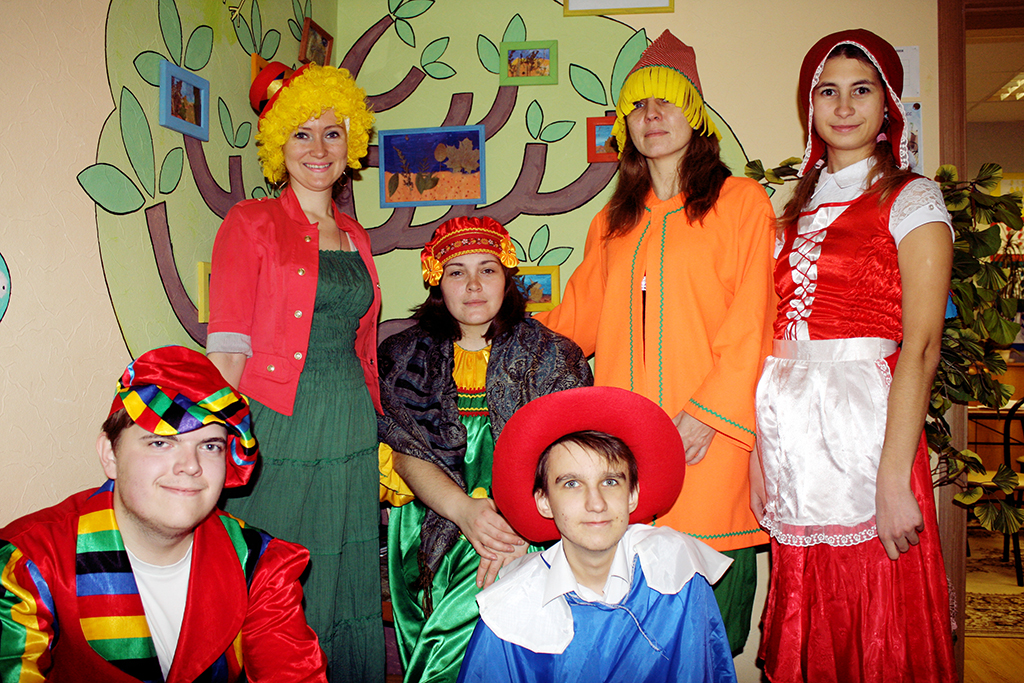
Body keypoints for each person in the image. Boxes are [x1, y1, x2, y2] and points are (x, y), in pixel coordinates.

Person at [533, 30, 775, 652]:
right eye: (638, 105)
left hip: (710, 446)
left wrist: (707, 416)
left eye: (667, 100)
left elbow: (754, 322)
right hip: (624, 453)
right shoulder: (610, 223)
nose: (652, 115)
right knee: (636, 638)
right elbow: (573, 324)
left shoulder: (741, 203)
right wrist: (488, 330)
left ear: (696, 114)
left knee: (707, 640)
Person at [754, 29, 956, 682]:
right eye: (828, 92)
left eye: (861, 90)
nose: (843, 106)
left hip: (867, 433)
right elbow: (772, 337)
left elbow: (921, 346)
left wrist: (894, 478)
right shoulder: (790, 209)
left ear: (888, 105)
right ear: (810, 106)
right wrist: (759, 452)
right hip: (790, 435)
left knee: (874, 600)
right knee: (806, 592)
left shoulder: (912, 197)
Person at [0, 346, 327, 682]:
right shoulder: (28, 564)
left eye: (210, 446)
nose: (191, 466)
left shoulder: (259, 563)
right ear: (110, 455)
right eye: (161, 442)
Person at [207, 62, 383, 682]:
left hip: (351, 422)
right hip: (278, 424)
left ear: (350, 143)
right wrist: (215, 444)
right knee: (272, 569)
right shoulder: (250, 223)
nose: (318, 148)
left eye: (332, 133)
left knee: (342, 574)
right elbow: (228, 350)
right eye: (301, 133)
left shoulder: (357, 235)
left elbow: (361, 343)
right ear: (279, 144)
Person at [378, 216, 593, 683]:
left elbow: (570, 460)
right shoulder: (402, 357)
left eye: (487, 270)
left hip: (525, 527)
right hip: (427, 524)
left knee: (460, 656)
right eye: (457, 271)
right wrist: (463, 510)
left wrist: (518, 529)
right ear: (437, 281)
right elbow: (402, 450)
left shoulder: (555, 357)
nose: (473, 285)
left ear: (507, 277)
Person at [457, 386, 736, 683]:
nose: (596, 504)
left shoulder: (675, 570)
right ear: (544, 501)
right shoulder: (512, 609)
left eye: (610, 482)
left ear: (632, 495)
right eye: (572, 484)